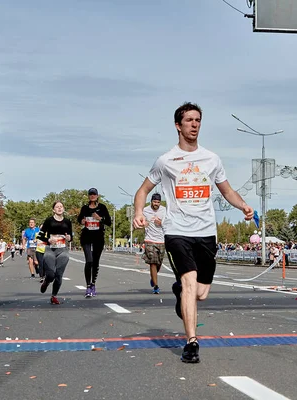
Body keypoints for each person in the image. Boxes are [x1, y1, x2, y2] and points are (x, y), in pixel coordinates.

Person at [133, 102, 254, 363]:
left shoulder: (212, 159)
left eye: (198, 120)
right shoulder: (166, 161)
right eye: (189, 120)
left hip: (206, 232)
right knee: (189, 283)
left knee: (200, 293)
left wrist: (243, 204)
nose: (194, 124)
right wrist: (138, 212)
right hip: (177, 231)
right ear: (178, 125)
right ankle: (191, 342)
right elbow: (142, 190)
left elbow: (226, 190)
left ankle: (179, 293)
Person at [77, 188, 111, 298]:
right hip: (86, 237)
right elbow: (79, 219)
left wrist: (100, 218)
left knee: (95, 262)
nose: (92, 196)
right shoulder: (85, 208)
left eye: (94, 194)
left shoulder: (102, 207)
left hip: (98, 237)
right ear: (88, 196)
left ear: (97, 196)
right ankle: (87, 286)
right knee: (89, 261)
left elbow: (109, 222)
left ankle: (93, 284)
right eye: (90, 194)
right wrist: (82, 221)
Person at [38, 201, 73, 305]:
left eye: (61, 206)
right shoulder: (49, 220)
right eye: (57, 207)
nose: (59, 208)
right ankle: (47, 281)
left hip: (62, 250)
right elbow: (40, 235)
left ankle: (54, 296)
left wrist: (69, 238)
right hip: (50, 249)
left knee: (58, 275)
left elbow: (71, 237)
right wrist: (48, 240)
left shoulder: (67, 222)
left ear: (63, 209)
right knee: (51, 274)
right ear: (53, 209)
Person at [141, 193, 166, 294]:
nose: (156, 204)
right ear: (151, 201)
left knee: (159, 263)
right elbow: (140, 219)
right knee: (153, 262)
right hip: (149, 239)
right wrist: (144, 223)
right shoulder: (145, 210)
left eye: (158, 202)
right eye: (155, 202)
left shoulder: (164, 210)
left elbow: (169, 221)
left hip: (161, 240)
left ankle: (153, 277)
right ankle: (156, 286)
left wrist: (161, 223)